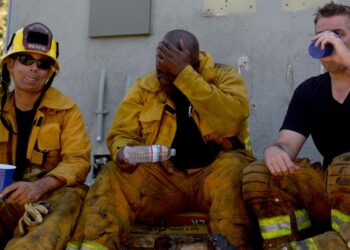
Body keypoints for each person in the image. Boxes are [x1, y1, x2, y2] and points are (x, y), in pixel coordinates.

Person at [68, 29, 257, 249]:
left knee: (235, 169)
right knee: (111, 174)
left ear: (194, 66)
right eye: (161, 72)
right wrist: (122, 151)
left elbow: (232, 119)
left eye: (172, 74)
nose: (164, 80)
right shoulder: (144, 86)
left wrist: (186, 78)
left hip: (213, 174)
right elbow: (122, 133)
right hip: (163, 181)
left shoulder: (223, 76)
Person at [242, 2, 350, 249]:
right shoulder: (309, 91)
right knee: (260, 174)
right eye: (322, 36)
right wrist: (275, 151)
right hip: (333, 191)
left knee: (345, 166)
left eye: (338, 35)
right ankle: (287, 243)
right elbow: (286, 144)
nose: (329, 42)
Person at [0, 22, 91, 249]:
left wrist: (39, 187)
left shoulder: (67, 111)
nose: (34, 68)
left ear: (50, 72)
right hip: (6, 199)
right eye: (26, 60)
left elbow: (78, 161)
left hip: (52, 197)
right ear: (10, 64)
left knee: (66, 204)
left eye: (42, 64)